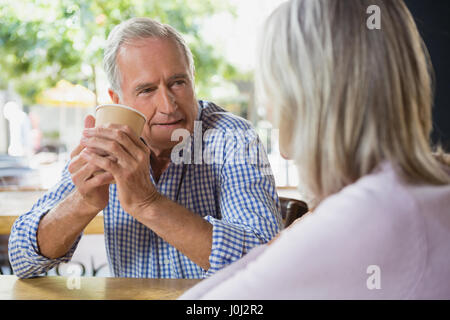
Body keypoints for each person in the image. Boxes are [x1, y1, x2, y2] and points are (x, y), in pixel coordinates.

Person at [180, 0, 450, 299]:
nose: (269, 110)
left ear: (302, 99)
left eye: (271, 89)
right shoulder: (429, 187)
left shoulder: (367, 215)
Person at [8, 17, 282, 279]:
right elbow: (21, 258)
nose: (168, 105)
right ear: (118, 100)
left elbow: (267, 262)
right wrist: (83, 202)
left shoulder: (233, 138)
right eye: (147, 90)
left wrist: (148, 203)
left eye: (178, 82)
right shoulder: (108, 144)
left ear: (193, 79)